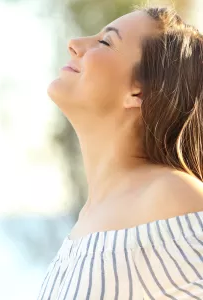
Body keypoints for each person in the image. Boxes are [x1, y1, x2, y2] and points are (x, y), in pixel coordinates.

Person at [37, 5, 203, 300]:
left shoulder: (171, 196)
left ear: (138, 93)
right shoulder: (88, 218)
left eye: (105, 42)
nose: (74, 44)